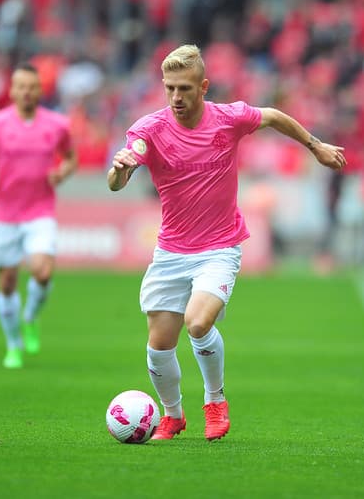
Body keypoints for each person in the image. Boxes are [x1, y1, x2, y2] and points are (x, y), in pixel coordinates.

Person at [107, 44, 345, 440]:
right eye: (169, 88)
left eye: (184, 88)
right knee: (159, 345)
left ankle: (215, 400)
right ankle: (173, 415)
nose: (176, 97)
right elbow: (118, 178)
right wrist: (120, 170)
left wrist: (315, 145)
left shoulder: (228, 118)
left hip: (219, 246)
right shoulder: (149, 129)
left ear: (203, 87)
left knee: (198, 323)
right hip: (171, 251)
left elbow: (272, 115)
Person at [0, 63, 77, 369]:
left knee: (42, 271)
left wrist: (61, 173)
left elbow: (70, 159)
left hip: (40, 211)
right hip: (5, 215)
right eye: (21, 87)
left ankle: (30, 317)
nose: (27, 92)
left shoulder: (57, 125)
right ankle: (13, 344)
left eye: (32, 87)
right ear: (12, 90)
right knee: (7, 283)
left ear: (40, 90)